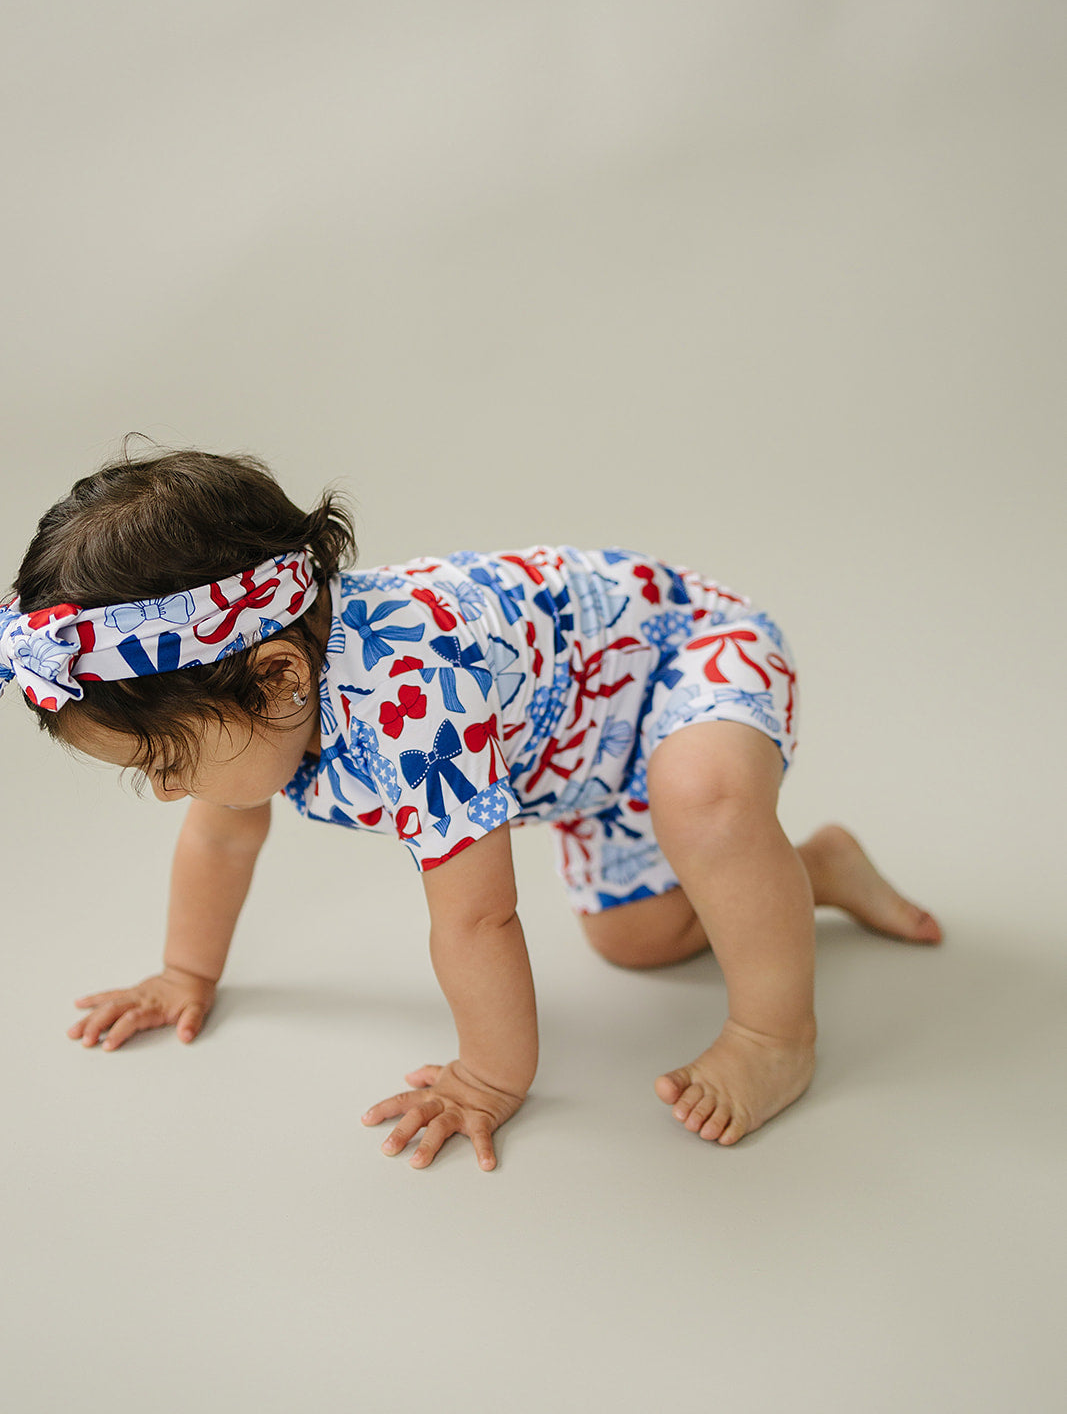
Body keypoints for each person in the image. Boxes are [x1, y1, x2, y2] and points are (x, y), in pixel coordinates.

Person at [1, 442, 943, 1171]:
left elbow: (479, 912)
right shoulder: (268, 704)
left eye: (166, 762)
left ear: (277, 678)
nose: (168, 791)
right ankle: (809, 868)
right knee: (640, 940)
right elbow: (219, 838)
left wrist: (490, 1075)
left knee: (702, 804)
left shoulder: (415, 696)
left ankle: (776, 1034)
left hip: (679, 658)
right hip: (577, 752)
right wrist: (183, 972)